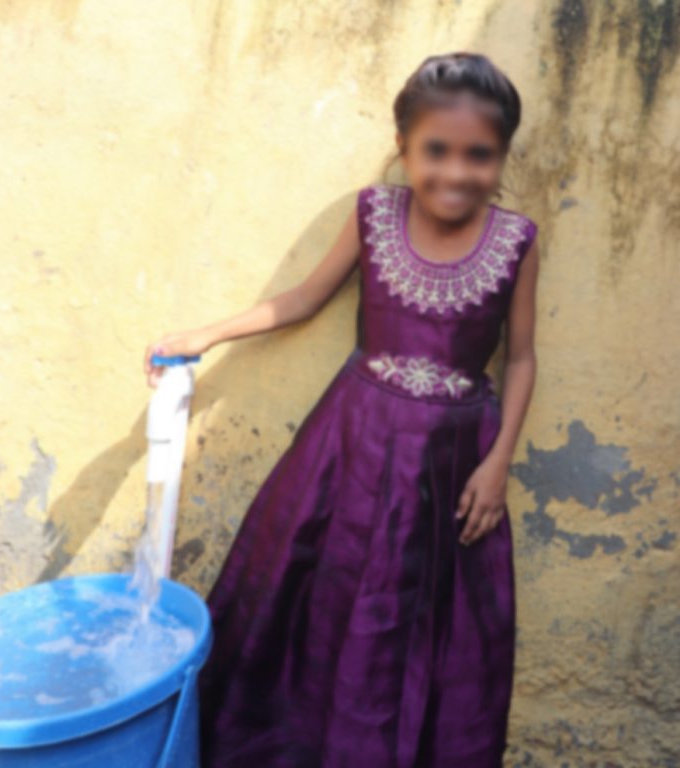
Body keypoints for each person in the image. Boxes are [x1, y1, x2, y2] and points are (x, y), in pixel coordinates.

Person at [144, 51, 540, 767]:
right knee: (316, 601)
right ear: (403, 148)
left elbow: (518, 357)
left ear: (501, 155)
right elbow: (302, 297)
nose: (456, 172)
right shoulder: (373, 212)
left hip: (453, 469)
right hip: (350, 448)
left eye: (478, 155)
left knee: (428, 628)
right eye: (436, 151)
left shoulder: (515, 241)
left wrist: (498, 463)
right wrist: (207, 333)